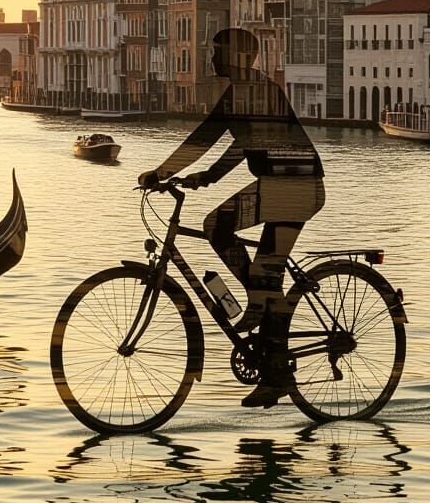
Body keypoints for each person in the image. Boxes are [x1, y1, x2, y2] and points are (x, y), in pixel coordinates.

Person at [138, 28, 325, 408]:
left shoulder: (260, 92)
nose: (211, 58)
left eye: (217, 51)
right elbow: (221, 140)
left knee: (225, 234)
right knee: (229, 239)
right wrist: (200, 175)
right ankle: (259, 300)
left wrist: (165, 172)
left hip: (295, 186)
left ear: (239, 56)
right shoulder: (241, 93)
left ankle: (275, 370)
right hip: (279, 185)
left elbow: (221, 143)